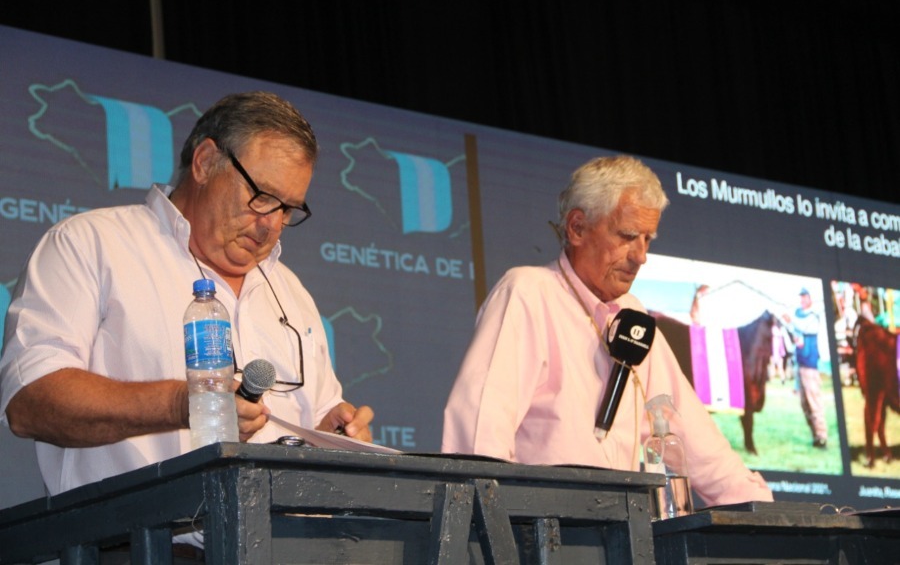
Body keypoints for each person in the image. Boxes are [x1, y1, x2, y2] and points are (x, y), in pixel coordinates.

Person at [0, 91, 374, 496]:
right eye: (262, 196)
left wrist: (331, 435)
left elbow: (321, 415)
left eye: (287, 209)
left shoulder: (290, 289)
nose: (271, 224)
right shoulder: (90, 245)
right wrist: (184, 404)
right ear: (205, 162)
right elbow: (29, 400)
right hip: (136, 532)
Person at [442, 155, 773, 507]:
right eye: (628, 236)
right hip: (538, 529)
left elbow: (695, 438)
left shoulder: (634, 317)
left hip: (621, 532)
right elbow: (479, 435)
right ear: (577, 228)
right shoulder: (528, 292)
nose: (641, 256)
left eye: (648, 239)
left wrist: (766, 512)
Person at [789, 288, 828, 448]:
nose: (802, 300)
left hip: (810, 365)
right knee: (804, 404)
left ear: (810, 298)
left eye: (805, 297)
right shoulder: (797, 314)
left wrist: (790, 321)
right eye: (801, 297)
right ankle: (815, 436)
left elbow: (805, 328)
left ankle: (822, 436)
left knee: (814, 402)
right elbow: (795, 334)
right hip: (800, 363)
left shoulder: (814, 315)